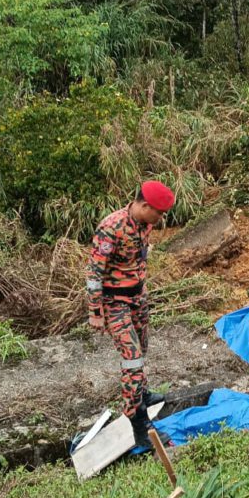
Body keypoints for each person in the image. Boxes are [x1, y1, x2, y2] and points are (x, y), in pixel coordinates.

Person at [86, 180, 175, 451]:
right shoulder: (111, 228)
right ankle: (138, 422)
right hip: (115, 303)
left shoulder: (145, 224)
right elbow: (94, 273)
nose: (161, 219)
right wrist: (95, 312)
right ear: (145, 205)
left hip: (137, 298)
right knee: (132, 360)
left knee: (141, 350)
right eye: (159, 213)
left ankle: (142, 394)